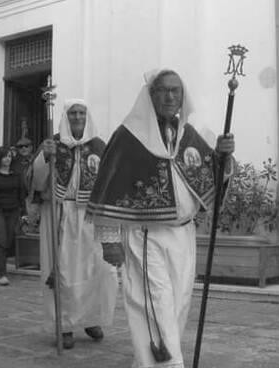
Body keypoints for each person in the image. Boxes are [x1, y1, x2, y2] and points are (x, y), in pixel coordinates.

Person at [86, 69, 235, 367]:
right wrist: (109, 239)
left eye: (176, 91)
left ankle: (150, 363)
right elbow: (109, 188)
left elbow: (212, 178)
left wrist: (224, 158)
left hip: (183, 235)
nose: (170, 97)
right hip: (146, 236)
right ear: (150, 95)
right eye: (163, 91)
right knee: (155, 307)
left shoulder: (188, 135)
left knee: (177, 306)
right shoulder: (128, 137)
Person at [28, 99, 118, 350]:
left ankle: (91, 319)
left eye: (81, 113)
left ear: (88, 117)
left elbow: (112, 179)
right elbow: (34, 181)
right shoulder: (52, 143)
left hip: (91, 215)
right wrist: (44, 158)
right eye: (73, 113)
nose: (77, 117)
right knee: (63, 272)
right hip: (60, 213)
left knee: (98, 270)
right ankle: (64, 324)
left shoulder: (99, 146)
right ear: (66, 117)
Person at [0, 146, 26, 286]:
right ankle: (1, 273)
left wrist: (24, 213)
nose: (7, 159)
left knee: (7, 240)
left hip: (13, 211)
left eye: (9, 156)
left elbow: (21, 195)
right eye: (4, 156)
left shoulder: (17, 176)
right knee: (0, 240)